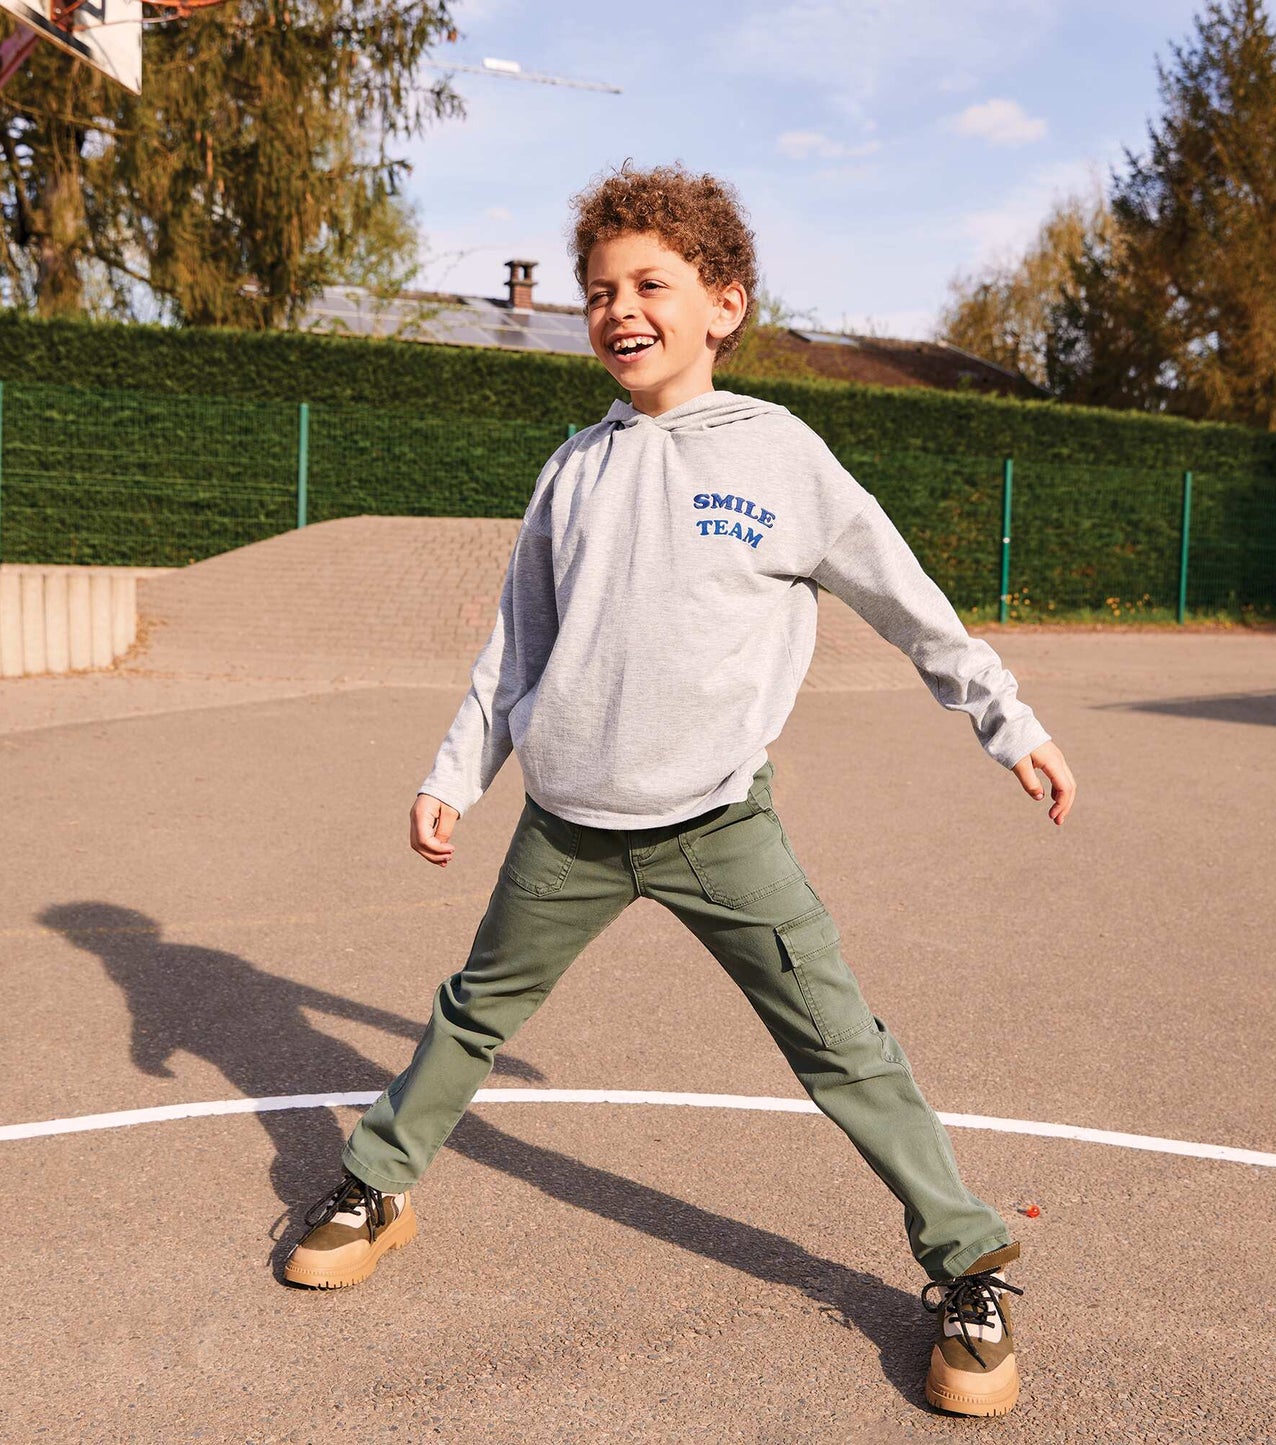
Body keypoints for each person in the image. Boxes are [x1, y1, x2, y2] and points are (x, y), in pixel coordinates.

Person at [283, 162, 1075, 1419]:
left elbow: (905, 598)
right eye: (599, 290)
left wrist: (1004, 718)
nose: (618, 308)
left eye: (649, 282)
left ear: (723, 303)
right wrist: (456, 771)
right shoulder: (571, 469)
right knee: (470, 1012)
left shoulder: (780, 454)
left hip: (719, 823)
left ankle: (965, 1263)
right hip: (567, 828)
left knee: (841, 1045)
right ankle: (375, 1183)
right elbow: (516, 648)